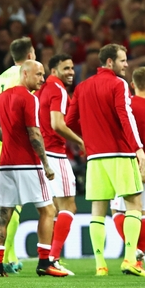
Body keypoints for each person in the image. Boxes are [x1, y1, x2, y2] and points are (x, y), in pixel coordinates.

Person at [65, 43, 145, 277]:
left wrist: (88, 137)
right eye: (123, 60)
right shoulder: (118, 84)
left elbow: (69, 121)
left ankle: (100, 265)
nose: (127, 64)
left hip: (95, 157)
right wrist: (138, 148)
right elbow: (126, 116)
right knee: (134, 204)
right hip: (120, 153)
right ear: (110, 62)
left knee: (98, 210)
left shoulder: (82, 87)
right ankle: (130, 259)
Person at [0, 61, 67, 277]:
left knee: (3, 214)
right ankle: (44, 262)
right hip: (28, 164)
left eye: (43, 74)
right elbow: (34, 133)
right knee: (48, 211)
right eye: (38, 74)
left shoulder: (1, 97)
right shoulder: (30, 98)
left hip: (5, 165)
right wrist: (46, 164)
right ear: (25, 74)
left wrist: (10, 142)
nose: (42, 79)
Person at [0, 37, 36, 274]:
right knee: (15, 205)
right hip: (16, 147)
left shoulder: (0, 79)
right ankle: (6, 256)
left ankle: (8, 256)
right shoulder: (26, 76)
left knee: (8, 205)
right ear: (30, 55)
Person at [36, 53, 84, 273]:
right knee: (68, 206)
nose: (71, 72)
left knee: (50, 209)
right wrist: (80, 141)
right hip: (54, 154)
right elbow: (57, 124)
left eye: (72, 68)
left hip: (40, 154)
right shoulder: (58, 90)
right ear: (54, 71)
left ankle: (47, 258)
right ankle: (52, 258)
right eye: (66, 68)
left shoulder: (41, 90)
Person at [111, 67, 145, 270]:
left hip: (126, 161)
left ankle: (133, 252)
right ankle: (138, 259)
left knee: (117, 209)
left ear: (132, 84)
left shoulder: (126, 105)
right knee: (143, 211)